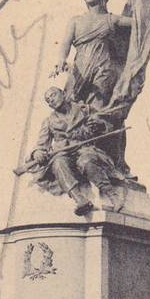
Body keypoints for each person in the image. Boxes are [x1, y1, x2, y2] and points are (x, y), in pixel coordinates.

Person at [29, 86, 123, 215]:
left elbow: (106, 126)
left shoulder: (84, 109)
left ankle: (113, 195)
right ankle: (80, 200)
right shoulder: (49, 121)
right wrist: (37, 152)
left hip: (85, 148)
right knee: (58, 163)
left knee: (86, 161)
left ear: (63, 93)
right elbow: (41, 144)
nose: (51, 100)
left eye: (53, 95)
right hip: (64, 153)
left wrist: (99, 125)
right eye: (48, 100)